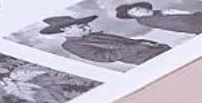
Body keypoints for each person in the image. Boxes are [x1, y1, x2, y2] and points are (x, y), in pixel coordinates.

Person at [34, 14, 168, 68]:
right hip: (145, 58)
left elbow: (127, 41)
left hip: (155, 49)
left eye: (86, 24)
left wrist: (146, 42)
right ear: (65, 29)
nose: (87, 27)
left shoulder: (93, 36)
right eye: (81, 26)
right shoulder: (71, 45)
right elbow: (103, 57)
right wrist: (139, 47)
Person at [114, 1, 202, 36]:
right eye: (136, 12)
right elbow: (183, 23)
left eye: (138, 8)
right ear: (134, 17)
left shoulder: (156, 14)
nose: (141, 10)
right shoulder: (149, 20)